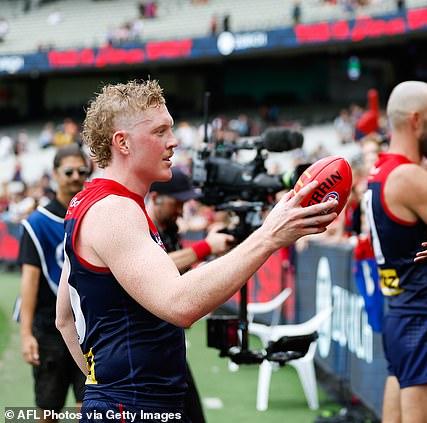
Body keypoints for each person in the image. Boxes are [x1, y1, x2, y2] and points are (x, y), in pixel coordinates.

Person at [55, 79, 337, 420]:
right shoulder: (115, 209)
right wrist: (270, 235)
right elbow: (180, 304)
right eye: (160, 132)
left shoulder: (92, 201)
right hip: (133, 407)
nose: (173, 142)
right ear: (122, 142)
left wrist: (100, 388)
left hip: (130, 403)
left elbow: (65, 318)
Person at [364, 81, 427, 422]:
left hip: (402, 312)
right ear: (417, 120)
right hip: (425, 315)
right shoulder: (407, 174)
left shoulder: (380, 171)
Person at [147, 167, 234, 423]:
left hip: (168, 348)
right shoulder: (141, 228)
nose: (181, 211)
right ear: (156, 198)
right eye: (177, 203)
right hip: (146, 355)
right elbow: (156, 268)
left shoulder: (170, 230)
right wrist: (206, 246)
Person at [19, 145, 89, 419]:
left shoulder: (92, 214)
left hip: (87, 326)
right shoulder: (37, 223)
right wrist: (26, 334)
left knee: (90, 404)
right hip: (49, 328)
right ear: (55, 174)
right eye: (68, 171)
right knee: (49, 409)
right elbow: (30, 281)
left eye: (81, 171)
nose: (75, 177)